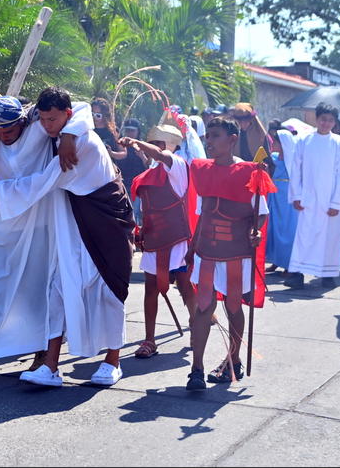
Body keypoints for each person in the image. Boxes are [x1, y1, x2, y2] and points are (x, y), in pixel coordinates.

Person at [0, 87, 134, 387]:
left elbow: (44, 182)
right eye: (43, 119)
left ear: (67, 116)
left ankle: (113, 360)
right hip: (73, 219)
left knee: (107, 287)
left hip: (105, 218)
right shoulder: (59, 134)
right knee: (59, 288)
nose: (46, 125)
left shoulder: (78, 143)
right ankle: (50, 366)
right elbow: (77, 109)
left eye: (53, 119)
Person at [0, 97, 90, 381]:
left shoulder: (38, 127)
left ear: (22, 121)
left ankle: (43, 355)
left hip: (40, 225)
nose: (3, 135)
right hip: (1, 226)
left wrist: (70, 137)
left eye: (8, 129)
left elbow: (81, 107)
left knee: (40, 292)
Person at [184, 117, 272, 391]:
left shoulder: (251, 172)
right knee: (202, 308)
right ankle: (196, 369)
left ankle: (233, 360)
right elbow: (202, 213)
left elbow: (261, 214)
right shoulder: (201, 170)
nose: (209, 141)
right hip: (207, 251)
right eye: (207, 136)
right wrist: (193, 247)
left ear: (232, 139)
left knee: (234, 306)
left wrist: (255, 232)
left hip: (236, 252)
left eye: (215, 135)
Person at [120, 125, 194, 360]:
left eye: (159, 145)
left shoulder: (178, 164)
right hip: (153, 236)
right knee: (151, 288)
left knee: (184, 285)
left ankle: (197, 326)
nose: (156, 150)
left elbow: (162, 157)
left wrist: (138, 143)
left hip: (177, 237)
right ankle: (149, 339)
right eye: (154, 144)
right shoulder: (150, 170)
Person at [285, 103, 340, 289]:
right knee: (304, 236)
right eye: (323, 119)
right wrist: (296, 195)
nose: (326, 123)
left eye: (330, 120)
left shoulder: (338, 143)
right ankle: (296, 274)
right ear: (316, 118)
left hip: (330, 199)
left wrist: (336, 202)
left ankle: (327, 274)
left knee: (329, 237)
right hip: (308, 198)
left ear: (334, 122)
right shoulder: (304, 140)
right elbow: (296, 169)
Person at [265, 121, 300, 275]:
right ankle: (275, 261)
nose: (273, 143)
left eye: (276, 141)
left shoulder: (293, 159)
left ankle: (287, 263)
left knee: (287, 229)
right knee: (274, 228)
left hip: (287, 197)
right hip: (274, 194)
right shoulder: (272, 157)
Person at [115, 119, 148, 224]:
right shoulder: (119, 144)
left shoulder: (143, 145)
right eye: (128, 130)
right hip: (122, 183)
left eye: (132, 130)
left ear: (138, 131)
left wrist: (142, 156)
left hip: (137, 186)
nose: (130, 133)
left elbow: (150, 167)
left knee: (135, 213)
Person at [91, 97, 126, 161]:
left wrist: (111, 153)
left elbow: (124, 153)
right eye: (92, 114)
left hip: (108, 168)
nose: (94, 117)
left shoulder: (114, 131)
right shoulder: (88, 129)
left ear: (105, 115)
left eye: (98, 115)